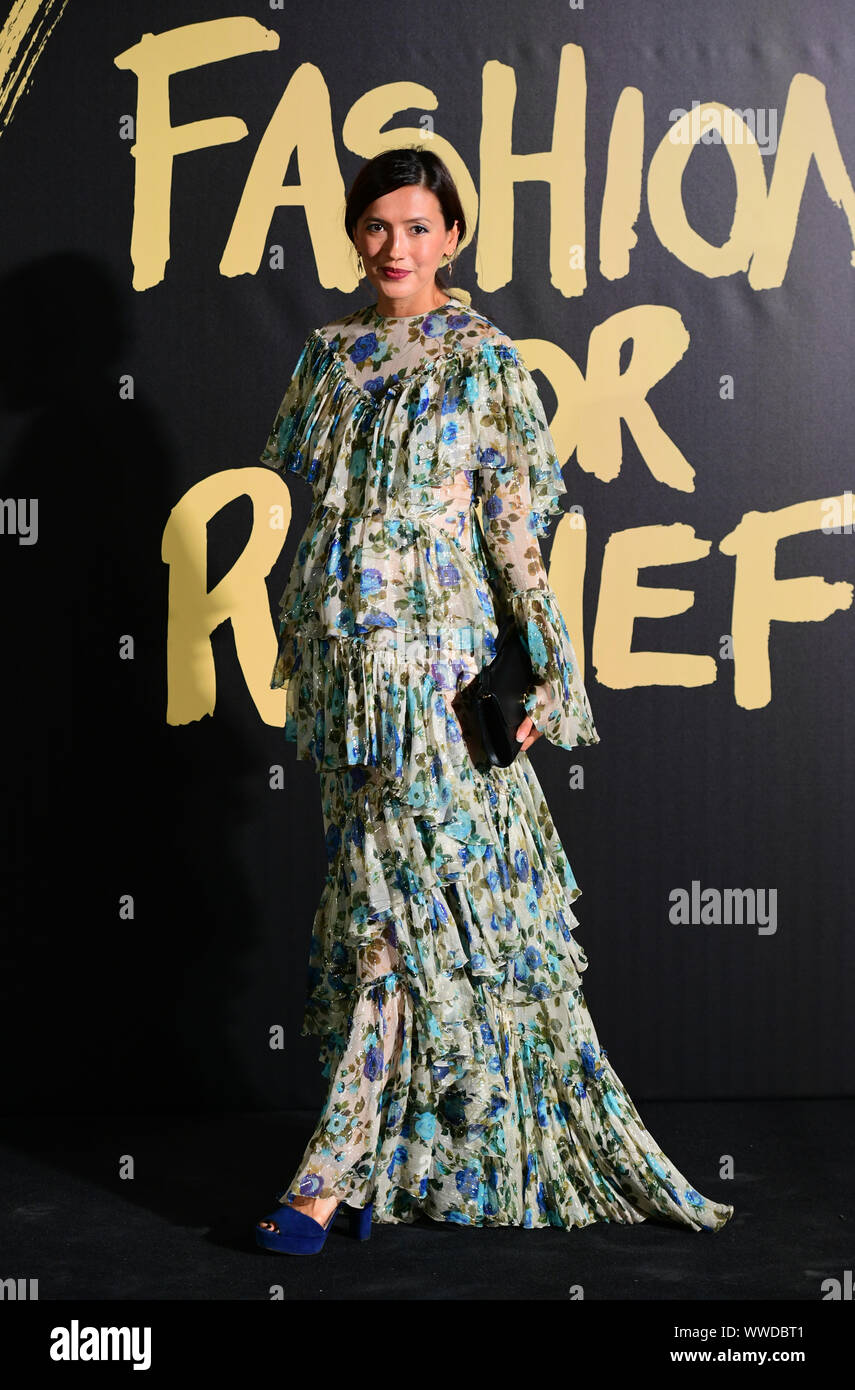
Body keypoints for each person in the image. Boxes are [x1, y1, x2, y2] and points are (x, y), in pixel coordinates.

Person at [254, 146, 734, 1252]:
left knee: (392, 920)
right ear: (353, 233)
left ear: (452, 238)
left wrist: (547, 661)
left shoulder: (483, 361)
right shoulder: (325, 358)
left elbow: (516, 539)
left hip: (438, 680)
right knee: (391, 920)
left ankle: (325, 1181)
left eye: (418, 227)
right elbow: (313, 515)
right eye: (376, 226)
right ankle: (381, 1165)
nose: (395, 248)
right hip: (347, 686)